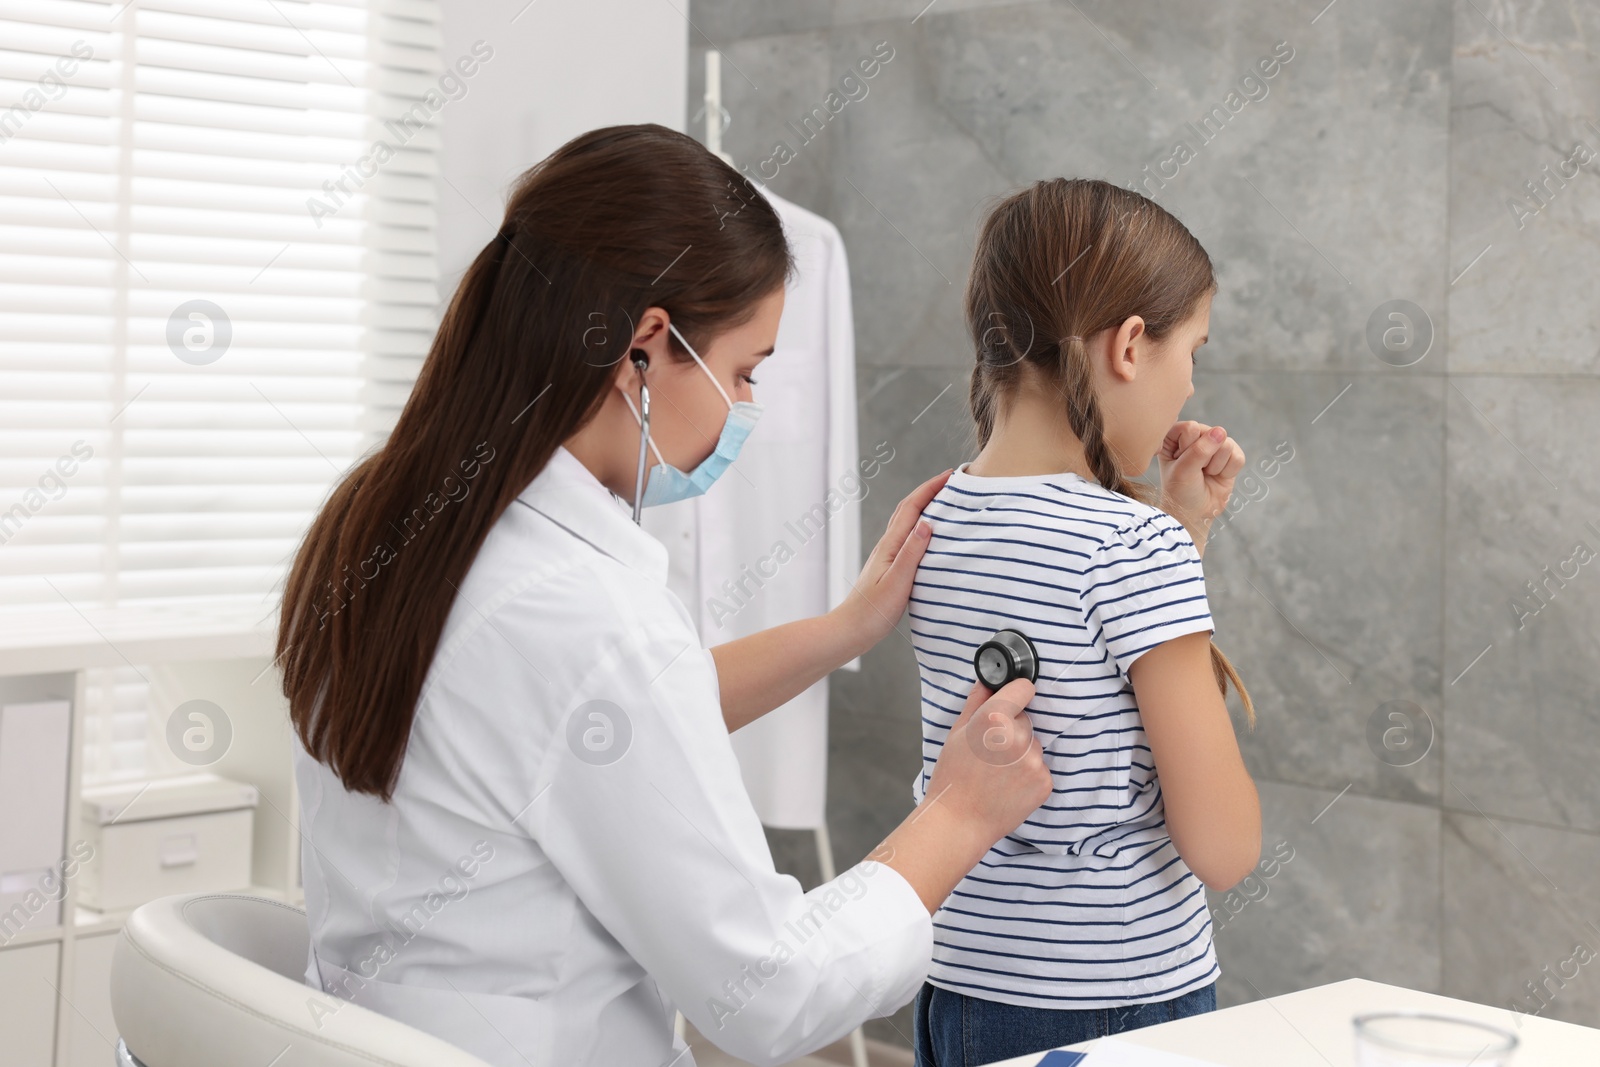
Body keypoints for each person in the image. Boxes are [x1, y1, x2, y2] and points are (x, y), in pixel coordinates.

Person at [274, 124, 1052, 1067]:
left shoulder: (390, 516)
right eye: (742, 372)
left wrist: (844, 627)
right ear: (645, 348)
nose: (746, 410)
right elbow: (766, 994)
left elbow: (581, 729)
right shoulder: (585, 613)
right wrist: (960, 814)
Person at [907, 178, 1263, 1066]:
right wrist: (1171, 545)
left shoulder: (933, 515)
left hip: (957, 977)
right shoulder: (1134, 547)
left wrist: (1181, 532)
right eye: (1196, 350)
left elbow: (1072, 667)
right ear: (1132, 346)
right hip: (1112, 998)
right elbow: (1222, 846)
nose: (1192, 383)